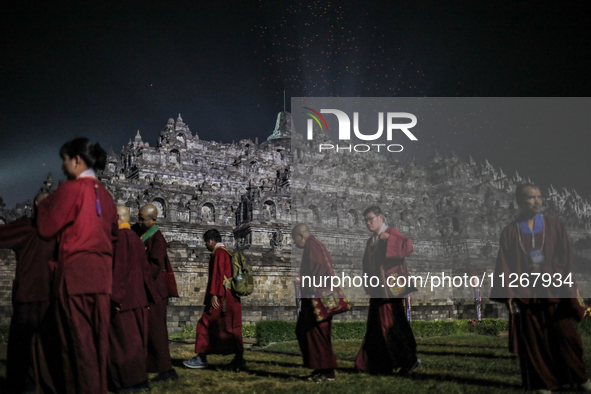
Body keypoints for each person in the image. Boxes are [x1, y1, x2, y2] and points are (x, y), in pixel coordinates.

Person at [36, 138, 118, 394]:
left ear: (77, 160)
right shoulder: (106, 195)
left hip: (74, 276)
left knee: (76, 346)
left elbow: (46, 227)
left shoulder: (71, 190)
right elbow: (113, 235)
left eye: (65, 160)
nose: (63, 166)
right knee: (97, 345)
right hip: (102, 278)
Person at [490, 183, 591, 392]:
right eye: (530, 197)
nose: (537, 201)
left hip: (553, 289)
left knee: (567, 336)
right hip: (525, 293)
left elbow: (566, 255)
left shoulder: (554, 225)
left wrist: (545, 268)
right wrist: (508, 293)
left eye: (539, 197)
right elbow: (504, 264)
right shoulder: (510, 231)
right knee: (534, 343)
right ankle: (543, 383)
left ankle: (579, 378)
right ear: (519, 201)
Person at [0, 192, 56, 394]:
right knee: (43, 342)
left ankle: (25, 385)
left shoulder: (27, 226)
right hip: (46, 293)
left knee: (24, 343)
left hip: (29, 293)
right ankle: (40, 384)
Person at [355, 206, 420, 375]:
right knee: (376, 325)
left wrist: (389, 239)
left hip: (392, 286)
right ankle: (379, 363)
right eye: (366, 220)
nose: (368, 223)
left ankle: (408, 360)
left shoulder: (391, 233)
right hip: (378, 288)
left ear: (380, 217)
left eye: (371, 219)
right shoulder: (371, 241)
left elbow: (408, 247)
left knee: (392, 323)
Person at [183, 229, 244, 370]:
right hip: (231, 297)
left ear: (211, 240)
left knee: (204, 323)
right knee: (232, 328)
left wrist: (214, 295)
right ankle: (239, 359)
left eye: (206, 242)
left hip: (221, 297)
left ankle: (201, 357)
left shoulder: (218, 253)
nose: (206, 245)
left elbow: (218, 274)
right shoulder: (228, 253)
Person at [108, 206, 153, 393]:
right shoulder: (136, 239)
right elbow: (146, 272)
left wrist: (114, 299)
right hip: (139, 300)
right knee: (136, 344)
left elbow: (119, 271)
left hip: (123, 302)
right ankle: (140, 380)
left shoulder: (119, 240)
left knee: (121, 344)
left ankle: (126, 384)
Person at [134, 203, 179, 382]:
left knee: (157, 330)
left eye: (142, 219)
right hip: (148, 289)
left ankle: (166, 369)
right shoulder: (144, 234)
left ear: (153, 220)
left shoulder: (157, 239)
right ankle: (152, 364)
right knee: (149, 329)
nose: (138, 221)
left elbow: (154, 266)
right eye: (138, 217)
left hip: (154, 291)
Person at [291, 223, 338, 382]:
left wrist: (310, 288)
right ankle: (320, 368)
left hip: (317, 296)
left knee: (318, 333)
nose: (295, 243)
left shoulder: (312, 246)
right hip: (317, 294)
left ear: (301, 236)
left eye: (295, 239)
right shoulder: (315, 245)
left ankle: (328, 372)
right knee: (307, 330)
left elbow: (319, 272)